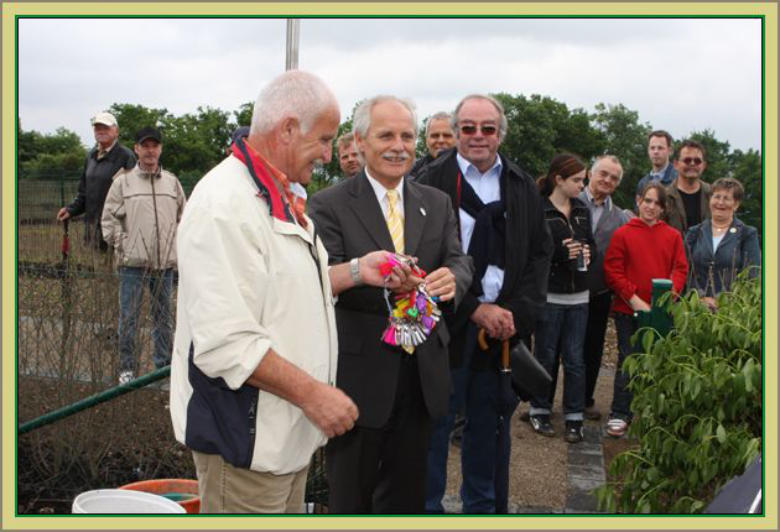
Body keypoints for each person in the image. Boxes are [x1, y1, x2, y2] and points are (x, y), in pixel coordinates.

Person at [169, 72, 416, 514]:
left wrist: (359, 270)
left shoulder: (274, 194)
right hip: (245, 448)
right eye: (323, 140)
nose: (329, 154)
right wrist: (315, 395)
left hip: (279, 441)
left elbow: (294, 291)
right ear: (287, 129)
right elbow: (226, 344)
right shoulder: (224, 205)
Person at [308, 95, 473, 514]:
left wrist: (453, 278)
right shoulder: (328, 204)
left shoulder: (436, 201)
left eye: (407, 136)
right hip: (359, 378)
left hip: (421, 376)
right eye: (386, 136)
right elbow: (319, 280)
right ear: (360, 141)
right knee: (350, 498)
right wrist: (371, 275)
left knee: (408, 499)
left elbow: (458, 259)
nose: (399, 146)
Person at [416, 95, 552, 513]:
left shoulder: (520, 184)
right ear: (456, 132)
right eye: (469, 128)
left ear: (500, 134)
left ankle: (483, 512)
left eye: (488, 128)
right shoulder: (428, 180)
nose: (478, 136)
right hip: (444, 326)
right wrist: (474, 308)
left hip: (502, 332)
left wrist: (514, 314)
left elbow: (539, 253)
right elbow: (418, 256)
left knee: (490, 432)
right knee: (433, 430)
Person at [101, 127, 186, 385]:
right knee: (129, 319)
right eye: (145, 146)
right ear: (136, 149)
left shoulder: (172, 182)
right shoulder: (122, 183)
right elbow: (109, 221)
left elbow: (185, 218)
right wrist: (125, 245)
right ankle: (127, 369)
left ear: (160, 149)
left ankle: (163, 368)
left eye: (154, 145)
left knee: (164, 320)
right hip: (133, 265)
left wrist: (176, 246)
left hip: (164, 265)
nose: (150, 150)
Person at [603, 183, 688, 437]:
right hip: (629, 309)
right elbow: (613, 270)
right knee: (629, 359)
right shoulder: (623, 233)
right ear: (639, 201)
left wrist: (668, 296)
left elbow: (680, 268)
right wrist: (634, 298)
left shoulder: (673, 236)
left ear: (663, 208)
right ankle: (620, 412)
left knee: (658, 360)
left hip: (661, 311)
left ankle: (653, 413)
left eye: (656, 203)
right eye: (647, 201)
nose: (651, 207)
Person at [527, 154, 595, 444]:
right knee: (545, 355)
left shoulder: (582, 210)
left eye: (584, 180)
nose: (582, 186)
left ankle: (574, 417)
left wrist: (588, 253)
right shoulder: (539, 210)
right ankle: (539, 410)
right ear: (559, 179)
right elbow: (532, 252)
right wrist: (559, 254)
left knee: (576, 359)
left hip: (580, 296)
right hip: (550, 296)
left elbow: (591, 244)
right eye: (577, 180)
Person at [579, 155, 632, 421]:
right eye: (604, 174)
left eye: (614, 178)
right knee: (554, 347)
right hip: (563, 289)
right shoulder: (570, 201)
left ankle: (585, 399)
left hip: (599, 292)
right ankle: (541, 401)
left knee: (593, 347)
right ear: (591, 173)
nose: (607, 180)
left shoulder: (621, 217)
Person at [57, 111, 136, 251]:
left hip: (117, 229)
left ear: (116, 131)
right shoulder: (91, 156)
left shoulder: (126, 157)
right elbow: (84, 192)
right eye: (98, 128)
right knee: (93, 263)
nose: (101, 131)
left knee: (114, 264)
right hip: (92, 228)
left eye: (106, 128)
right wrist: (71, 210)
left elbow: (133, 196)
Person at [685, 177, 761, 310]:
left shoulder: (748, 234)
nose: (720, 202)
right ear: (710, 200)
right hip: (695, 308)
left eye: (726, 198)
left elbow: (751, 275)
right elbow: (685, 269)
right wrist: (700, 297)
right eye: (717, 197)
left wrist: (722, 300)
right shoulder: (694, 232)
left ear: (736, 204)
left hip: (732, 311)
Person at [664, 139, 712, 234]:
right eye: (687, 160)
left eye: (697, 161)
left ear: (704, 165)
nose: (692, 164)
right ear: (676, 164)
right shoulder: (664, 197)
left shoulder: (713, 195)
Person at [409, 111, 457, 177]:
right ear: (426, 140)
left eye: (447, 135)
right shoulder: (411, 174)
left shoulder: (468, 172)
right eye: (435, 136)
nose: (441, 140)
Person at [635, 130, 678, 197]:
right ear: (648, 150)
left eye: (660, 148)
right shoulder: (642, 183)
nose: (655, 152)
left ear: (670, 151)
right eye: (652, 148)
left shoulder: (679, 179)